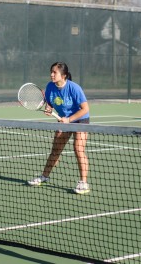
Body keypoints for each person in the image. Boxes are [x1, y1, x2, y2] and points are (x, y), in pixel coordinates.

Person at [28, 62, 91, 194]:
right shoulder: (50, 87)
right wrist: (49, 109)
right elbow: (50, 104)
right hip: (64, 120)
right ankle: (44, 177)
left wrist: (69, 119)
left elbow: (85, 109)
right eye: (51, 72)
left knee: (78, 149)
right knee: (56, 150)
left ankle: (83, 182)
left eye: (54, 72)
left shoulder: (74, 88)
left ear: (64, 75)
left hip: (80, 119)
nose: (51, 74)